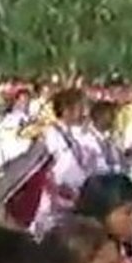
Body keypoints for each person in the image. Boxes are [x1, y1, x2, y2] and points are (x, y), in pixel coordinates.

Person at [32, 88, 89, 235]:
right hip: (55, 201)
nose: (83, 112)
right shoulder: (51, 134)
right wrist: (58, 191)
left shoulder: (77, 134)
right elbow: (45, 169)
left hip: (75, 199)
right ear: (66, 109)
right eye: (79, 107)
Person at [84, 101, 124, 174]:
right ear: (99, 116)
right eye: (111, 115)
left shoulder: (111, 137)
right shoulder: (87, 140)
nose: (114, 119)